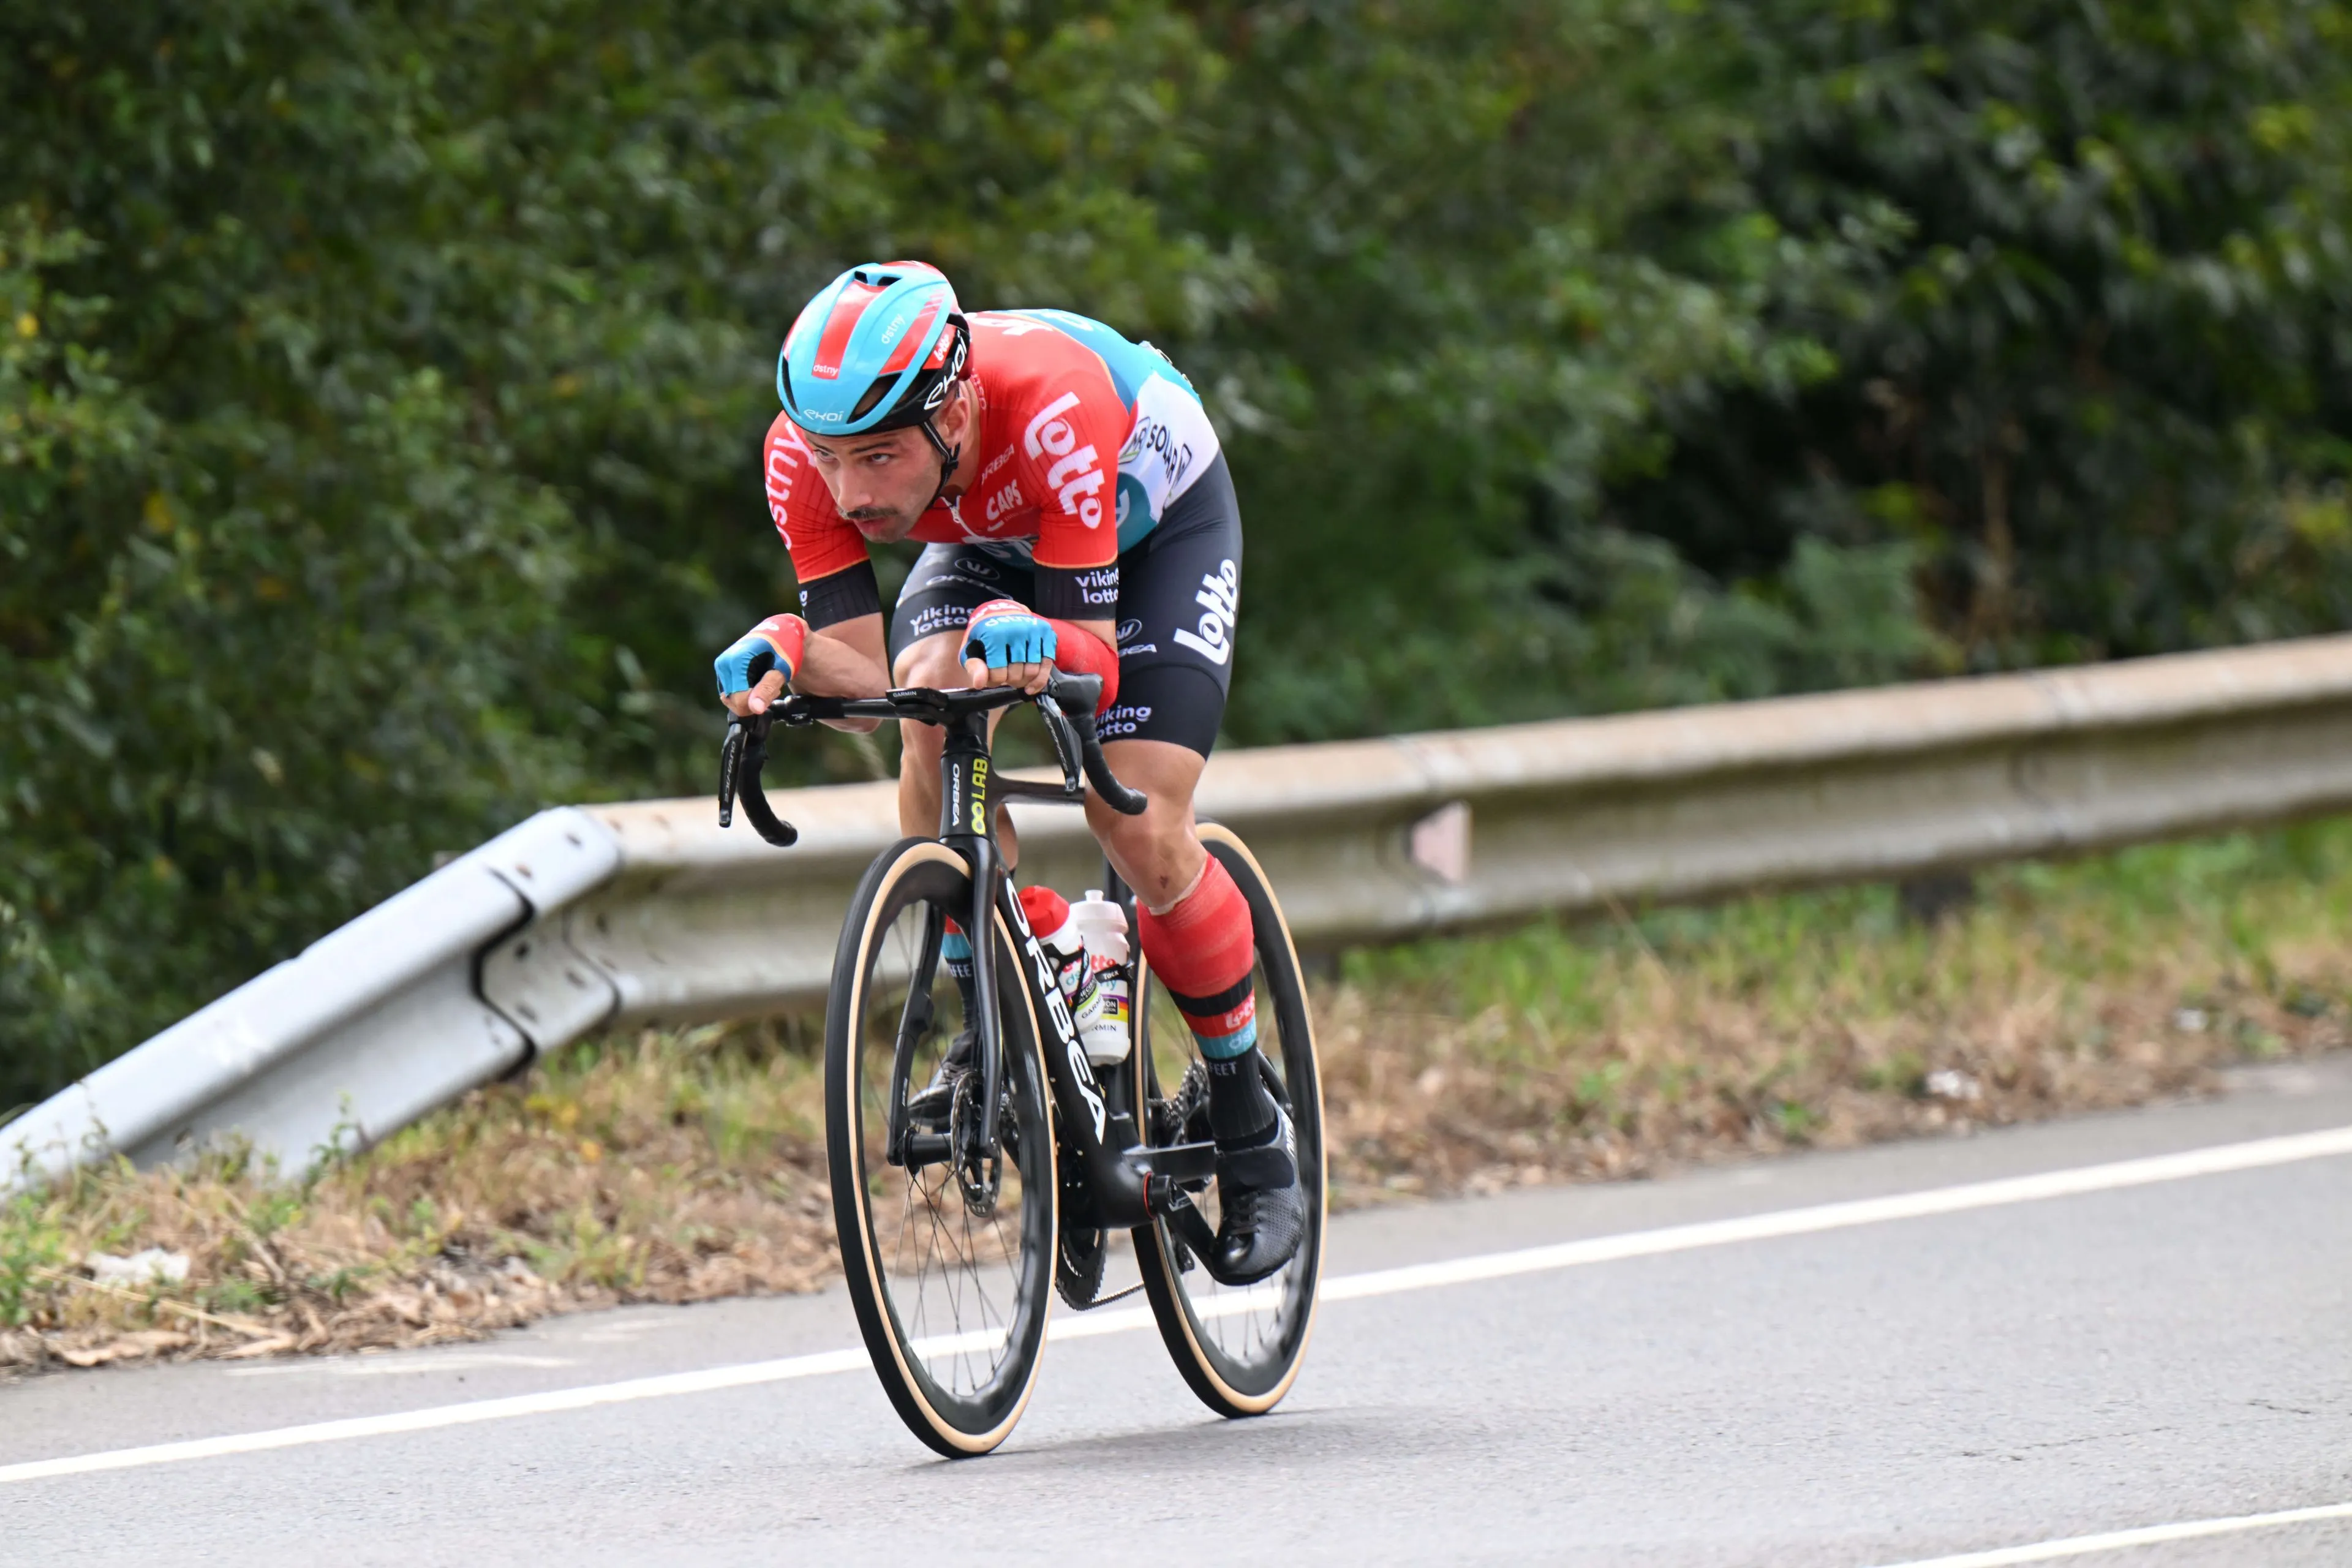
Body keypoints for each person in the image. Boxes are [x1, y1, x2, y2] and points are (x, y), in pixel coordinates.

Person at [711, 261, 1300, 1284]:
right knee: (928, 702)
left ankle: (1252, 1120)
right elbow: (866, 680)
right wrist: (788, 649)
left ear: (953, 407)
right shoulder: (803, 462)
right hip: (996, 539)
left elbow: (1092, 656)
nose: (852, 494)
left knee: (1139, 820)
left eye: (879, 458)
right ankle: (1025, 967)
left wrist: (1027, 637)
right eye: (832, 460)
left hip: (1150, 531)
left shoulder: (1051, 401)